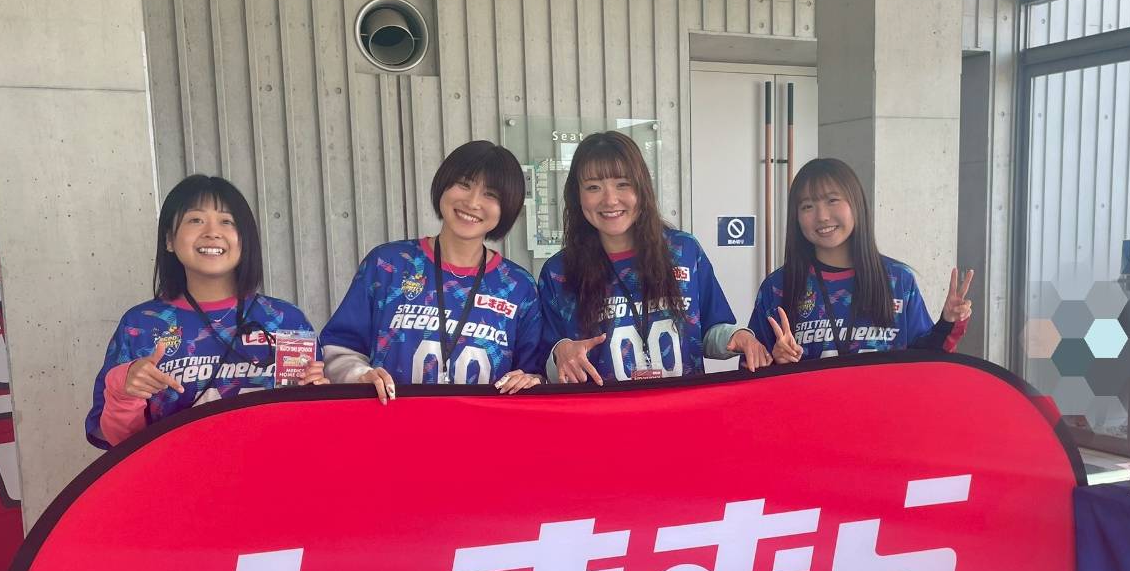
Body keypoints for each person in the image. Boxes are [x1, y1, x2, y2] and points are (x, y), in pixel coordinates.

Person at [86, 175, 326, 450]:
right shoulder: (140, 324)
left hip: (270, 472)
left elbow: (308, 430)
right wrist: (124, 392)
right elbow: (120, 445)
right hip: (174, 475)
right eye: (196, 220)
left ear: (244, 239)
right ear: (169, 240)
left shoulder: (285, 319)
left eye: (227, 221)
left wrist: (318, 396)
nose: (213, 232)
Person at [537, 131, 770, 384]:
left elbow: (711, 330)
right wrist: (560, 354)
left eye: (622, 184)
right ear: (577, 195)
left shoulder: (683, 251)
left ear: (642, 188)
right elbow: (544, 365)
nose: (610, 200)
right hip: (603, 409)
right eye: (593, 187)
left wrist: (739, 337)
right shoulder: (558, 272)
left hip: (683, 407)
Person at [320, 140, 542, 402]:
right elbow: (338, 348)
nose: (472, 202)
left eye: (490, 195)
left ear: (508, 207)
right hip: (389, 425)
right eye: (464, 184)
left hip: (482, 428)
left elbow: (534, 373)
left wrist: (532, 380)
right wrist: (359, 374)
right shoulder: (388, 265)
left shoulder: (517, 286)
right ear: (443, 185)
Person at [748, 158, 972, 364]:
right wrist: (776, 361)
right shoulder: (778, 287)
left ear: (856, 204)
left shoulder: (897, 280)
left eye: (832, 200)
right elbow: (751, 370)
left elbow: (925, 360)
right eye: (807, 206)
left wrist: (948, 322)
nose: (822, 216)